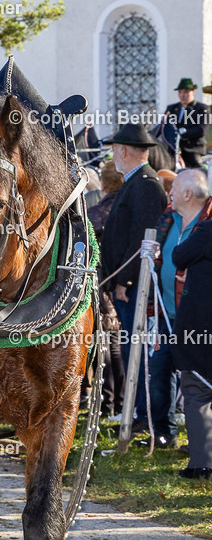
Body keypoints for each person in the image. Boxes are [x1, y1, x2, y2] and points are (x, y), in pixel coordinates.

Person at [101, 122, 168, 434]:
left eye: (115, 148)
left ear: (124, 150)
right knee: (131, 352)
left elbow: (142, 241)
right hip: (126, 285)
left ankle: (145, 417)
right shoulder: (135, 182)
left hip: (135, 287)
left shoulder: (146, 184)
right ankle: (138, 413)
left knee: (139, 354)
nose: (113, 154)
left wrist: (124, 281)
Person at [148, 171, 212, 447]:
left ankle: (201, 446)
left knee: (197, 380)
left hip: (199, 318)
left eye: (174, 188)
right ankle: (163, 433)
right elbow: (163, 256)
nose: (169, 192)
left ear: (188, 194)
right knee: (160, 370)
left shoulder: (208, 221)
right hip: (167, 310)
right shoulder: (167, 218)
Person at [171, 219, 212, 478]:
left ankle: (202, 464)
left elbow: (179, 255)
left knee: (196, 389)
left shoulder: (208, 230)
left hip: (203, 325)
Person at [87, 160, 125, 419]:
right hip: (118, 285)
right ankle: (119, 403)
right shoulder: (121, 207)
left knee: (106, 349)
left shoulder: (97, 213)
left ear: (103, 183)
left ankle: (106, 404)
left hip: (102, 286)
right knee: (116, 346)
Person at [159, 79, 209, 169]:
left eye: (186, 92)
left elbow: (201, 130)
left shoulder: (201, 108)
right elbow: (164, 126)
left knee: (198, 167)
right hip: (173, 149)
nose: (183, 95)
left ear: (193, 92)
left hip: (192, 149)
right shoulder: (172, 108)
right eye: (180, 92)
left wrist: (181, 133)